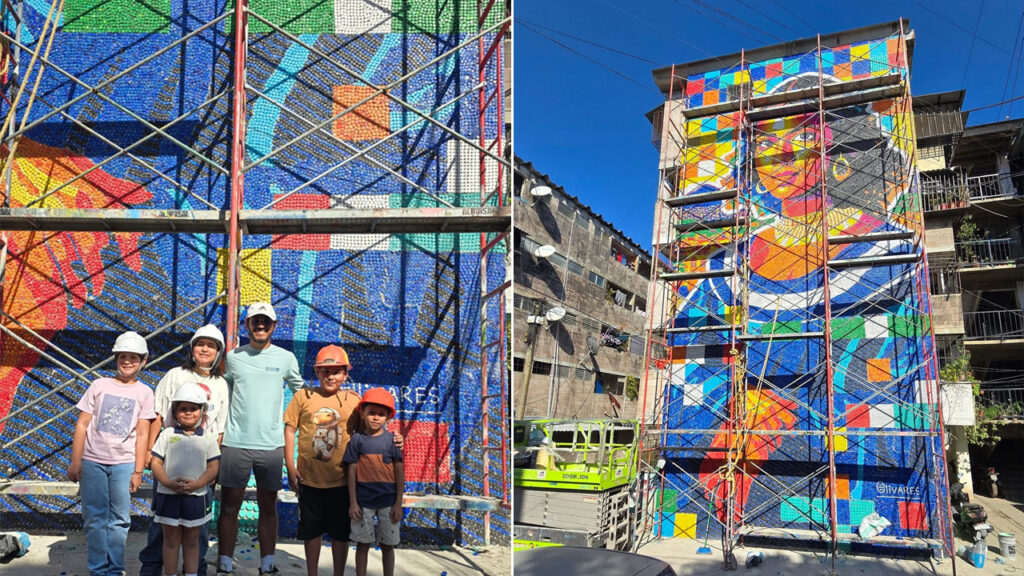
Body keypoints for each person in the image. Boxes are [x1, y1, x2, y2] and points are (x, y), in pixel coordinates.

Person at [217, 302, 304, 576]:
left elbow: (302, 395)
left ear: (274, 327)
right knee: (229, 506)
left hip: (271, 446)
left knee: (268, 507)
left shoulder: (286, 358)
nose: (261, 325)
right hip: (235, 443)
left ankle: (267, 563)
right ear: (247, 325)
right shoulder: (232, 357)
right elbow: (221, 394)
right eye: (255, 321)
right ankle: (224, 562)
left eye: (266, 321)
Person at [140, 325, 229, 576]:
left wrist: (206, 476)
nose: (205, 349)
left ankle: (195, 571)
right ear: (192, 348)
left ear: (218, 352)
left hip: (200, 469)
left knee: (196, 529)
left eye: (211, 346)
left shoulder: (221, 385)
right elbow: (157, 416)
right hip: (170, 462)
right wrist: (149, 452)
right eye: (200, 344)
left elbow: (219, 431)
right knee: (162, 525)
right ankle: (153, 570)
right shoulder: (174, 375)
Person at [67, 331, 156, 576]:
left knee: (119, 520)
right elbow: (82, 424)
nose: (128, 362)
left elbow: (143, 434)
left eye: (134, 358)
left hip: (123, 465)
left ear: (143, 361)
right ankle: (98, 569)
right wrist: (76, 461)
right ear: (116, 358)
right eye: (123, 356)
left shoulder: (145, 393)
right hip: (93, 462)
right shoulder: (99, 385)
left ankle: (114, 569)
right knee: (94, 519)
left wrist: (138, 470)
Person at [284, 345, 362, 576]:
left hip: (341, 482)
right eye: (325, 371)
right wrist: (290, 467)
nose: (331, 376)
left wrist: (394, 437)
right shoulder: (303, 396)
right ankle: (312, 573)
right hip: (309, 481)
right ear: (317, 372)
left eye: (336, 371)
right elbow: (290, 430)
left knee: (340, 534)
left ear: (345, 374)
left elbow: (369, 430)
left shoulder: (353, 401)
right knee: (311, 532)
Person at [150, 383, 221, 576]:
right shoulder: (167, 435)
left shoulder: (207, 438)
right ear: (175, 412)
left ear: (202, 412)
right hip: (168, 496)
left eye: (193, 408)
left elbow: (214, 466)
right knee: (170, 540)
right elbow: (155, 462)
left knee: (192, 540)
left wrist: (198, 484)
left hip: (196, 497)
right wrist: (167, 482)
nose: (188, 413)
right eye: (183, 409)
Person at [344, 387, 404, 576]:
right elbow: (351, 471)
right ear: (362, 413)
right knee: (362, 545)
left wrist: (398, 504)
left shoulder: (392, 441)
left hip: (388, 502)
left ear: (388, 417)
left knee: (388, 546)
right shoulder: (356, 440)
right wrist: (353, 502)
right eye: (371, 413)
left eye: (381, 414)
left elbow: (399, 472)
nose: (376, 418)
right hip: (363, 504)